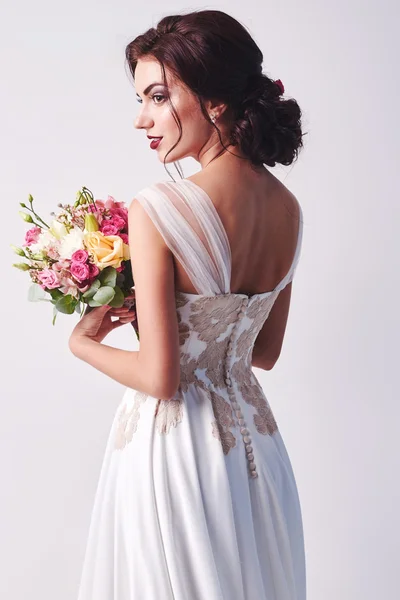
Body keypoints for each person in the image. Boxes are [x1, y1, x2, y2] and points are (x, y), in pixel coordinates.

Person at [69, 9, 307, 600]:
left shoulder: (158, 207)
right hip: (256, 451)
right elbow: (266, 353)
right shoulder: (289, 209)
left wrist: (83, 342)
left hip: (173, 451)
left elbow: (161, 377)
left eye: (157, 96)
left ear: (216, 101)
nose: (141, 119)